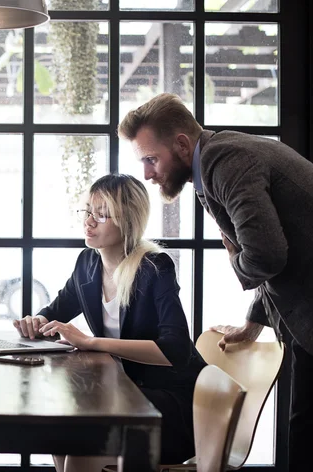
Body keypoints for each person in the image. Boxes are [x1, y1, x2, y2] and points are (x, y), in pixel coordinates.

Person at [118, 92, 313, 472]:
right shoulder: (213, 164)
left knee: (304, 432)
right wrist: (254, 322)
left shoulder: (226, 163)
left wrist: (234, 256)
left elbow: (267, 255)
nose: (147, 173)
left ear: (181, 144)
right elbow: (277, 249)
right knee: (303, 430)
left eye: (151, 159)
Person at [14, 174, 206, 472]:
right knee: (60, 432)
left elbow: (176, 350)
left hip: (169, 404)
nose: (89, 221)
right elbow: (55, 312)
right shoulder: (87, 263)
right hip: (122, 394)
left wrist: (91, 343)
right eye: (88, 211)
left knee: (81, 445)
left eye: (101, 215)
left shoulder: (155, 268)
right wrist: (36, 321)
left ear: (127, 221)